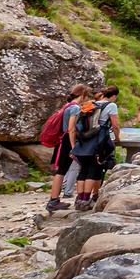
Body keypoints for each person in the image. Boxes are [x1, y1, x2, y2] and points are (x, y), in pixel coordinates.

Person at [41, 83, 89, 214]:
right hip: (68, 141)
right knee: (62, 171)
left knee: (61, 170)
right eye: (86, 96)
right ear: (83, 95)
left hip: (62, 140)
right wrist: (73, 147)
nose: (87, 99)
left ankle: (54, 200)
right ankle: (53, 200)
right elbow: (71, 129)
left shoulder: (67, 106)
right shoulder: (75, 108)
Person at [67, 88, 115, 210]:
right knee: (92, 171)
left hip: (83, 141)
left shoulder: (89, 106)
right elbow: (115, 125)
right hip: (97, 142)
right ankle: (86, 199)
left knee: (83, 171)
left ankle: (80, 199)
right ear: (113, 96)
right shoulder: (111, 105)